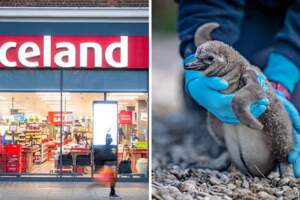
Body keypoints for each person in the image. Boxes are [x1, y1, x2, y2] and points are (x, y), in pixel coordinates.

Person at [177, 0, 300, 177]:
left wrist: (283, 76)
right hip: (244, 19)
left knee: (295, 103)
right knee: (219, 83)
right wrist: (193, 54)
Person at [92, 134, 120, 199]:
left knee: (111, 180)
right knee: (110, 180)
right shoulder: (108, 147)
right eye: (109, 138)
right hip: (108, 165)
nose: (110, 139)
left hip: (109, 165)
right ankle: (112, 192)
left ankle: (112, 192)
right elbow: (107, 156)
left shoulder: (108, 147)